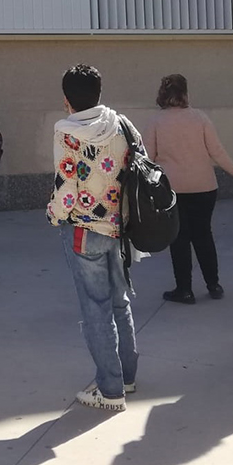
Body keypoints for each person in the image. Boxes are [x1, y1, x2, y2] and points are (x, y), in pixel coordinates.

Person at [47, 63, 138, 412]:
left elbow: (66, 187)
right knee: (119, 302)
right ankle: (126, 376)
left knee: (95, 309)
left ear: (67, 100)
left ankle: (110, 389)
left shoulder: (66, 131)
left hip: (84, 231)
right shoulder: (121, 123)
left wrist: (53, 214)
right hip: (120, 227)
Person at [146, 74, 233, 304]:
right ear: (185, 93)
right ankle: (213, 284)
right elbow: (218, 152)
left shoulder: (156, 122)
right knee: (203, 235)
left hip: (172, 190)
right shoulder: (200, 118)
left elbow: (148, 159)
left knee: (179, 238)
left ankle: (184, 289)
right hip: (204, 188)